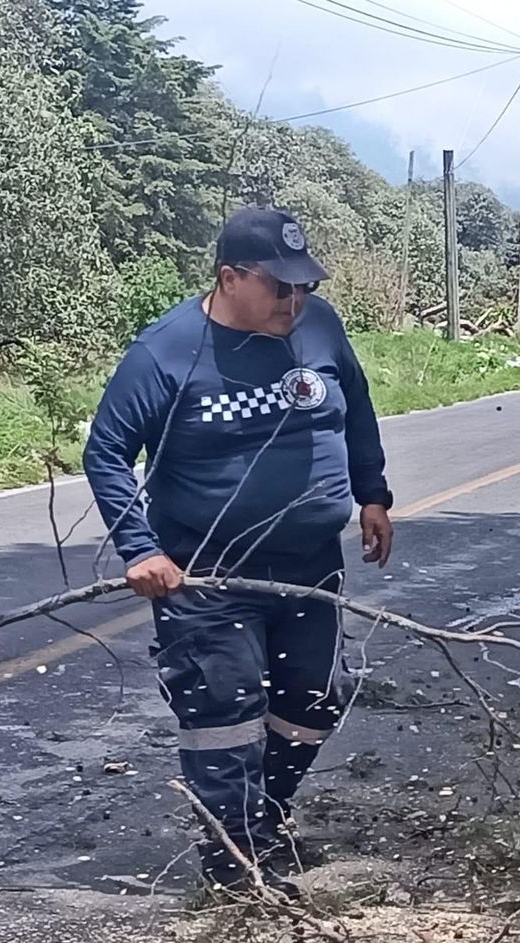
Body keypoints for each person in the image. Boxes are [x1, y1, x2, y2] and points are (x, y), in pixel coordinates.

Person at [83, 206, 394, 900]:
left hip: (310, 565)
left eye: (305, 286)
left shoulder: (320, 326)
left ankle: (264, 815)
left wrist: (374, 492)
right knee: (224, 715)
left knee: (314, 700)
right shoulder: (166, 351)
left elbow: (358, 406)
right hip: (206, 575)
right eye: (280, 288)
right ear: (229, 278)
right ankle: (235, 865)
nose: (297, 301)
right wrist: (139, 548)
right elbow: (106, 452)